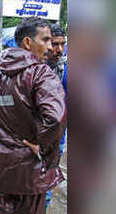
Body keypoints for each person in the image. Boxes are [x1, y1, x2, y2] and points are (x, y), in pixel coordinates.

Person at [0, 17, 67, 214]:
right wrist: (42, 148)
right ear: (28, 43)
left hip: (1, 167)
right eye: (45, 40)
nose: (50, 47)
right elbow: (56, 119)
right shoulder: (41, 73)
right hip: (30, 172)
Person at [45, 23, 68, 209]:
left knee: (48, 180)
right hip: (34, 138)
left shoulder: (65, 68)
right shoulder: (33, 67)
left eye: (63, 44)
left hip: (57, 135)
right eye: (55, 44)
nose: (59, 49)